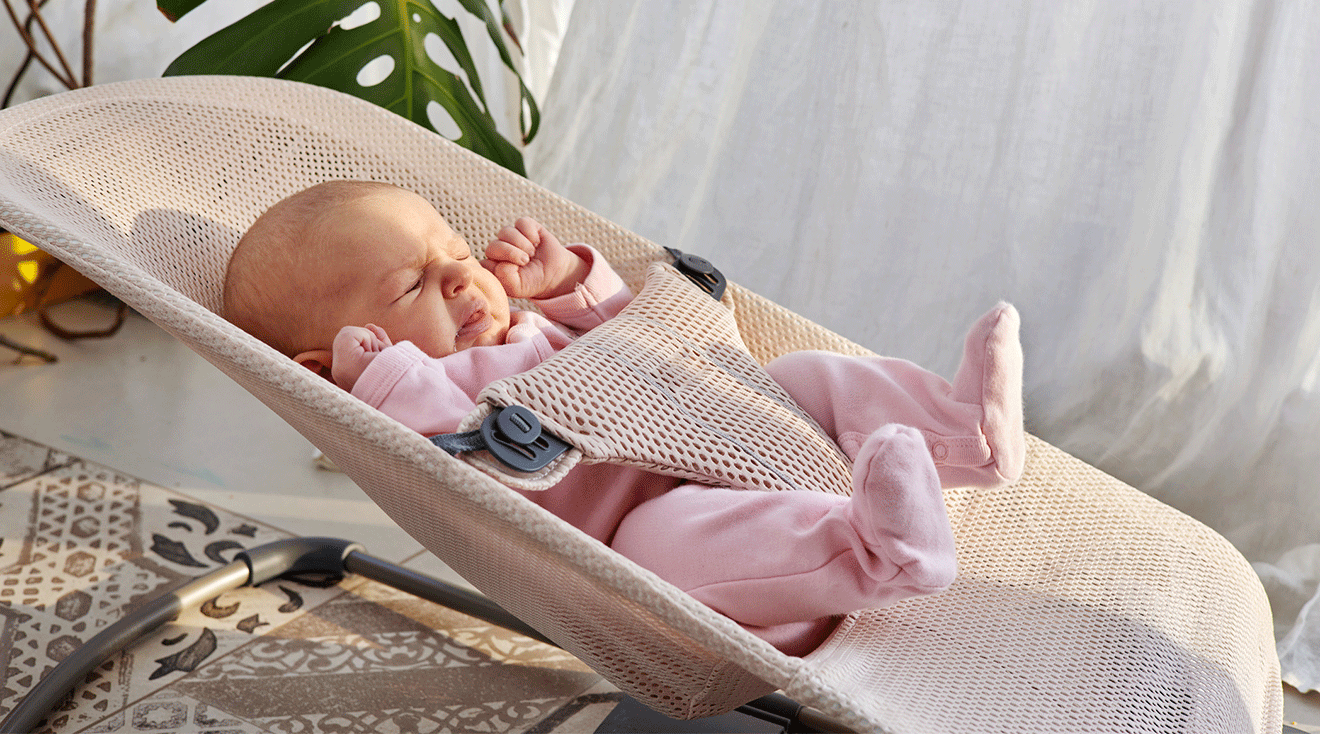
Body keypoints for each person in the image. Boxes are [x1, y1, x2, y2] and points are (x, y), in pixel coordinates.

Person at [223, 180, 1025, 655]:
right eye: (410, 289)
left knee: (799, 375)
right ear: (332, 363)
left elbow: (639, 331)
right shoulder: (428, 393)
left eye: (458, 257)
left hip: (725, 423)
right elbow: (438, 444)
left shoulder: (530, 323)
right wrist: (378, 379)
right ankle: (872, 547)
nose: (464, 284)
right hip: (663, 522)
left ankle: (963, 434)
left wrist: (570, 279)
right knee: (663, 547)